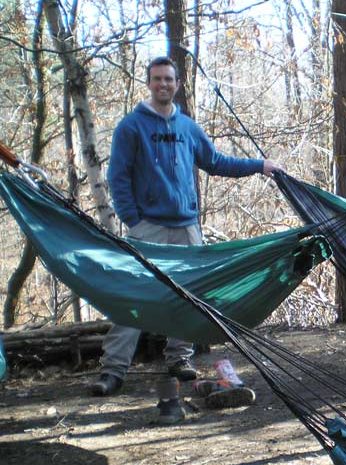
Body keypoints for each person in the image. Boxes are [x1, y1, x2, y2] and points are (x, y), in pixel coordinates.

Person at [92, 57, 279, 423]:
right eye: (157, 79)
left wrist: (260, 165)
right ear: (149, 83)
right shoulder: (131, 127)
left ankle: (180, 360)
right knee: (134, 296)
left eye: (169, 79)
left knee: (189, 295)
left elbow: (216, 162)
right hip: (149, 228)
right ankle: (113, 369)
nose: (163, 84)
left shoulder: (188, 128)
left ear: (178, 84)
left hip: (187, 226)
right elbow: (118, 177)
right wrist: (134, 220)